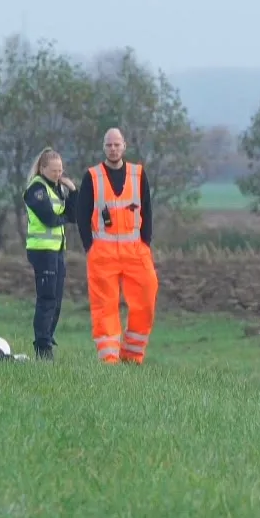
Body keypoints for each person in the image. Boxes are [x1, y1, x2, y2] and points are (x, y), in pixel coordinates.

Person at [66, 127, 157, 364]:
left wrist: (145, 243)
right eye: (109, 145)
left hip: (136, 251)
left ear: (124, 146)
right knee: (104, 306)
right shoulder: (92, 176)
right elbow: (81, 213)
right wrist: (90, 247)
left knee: (146, 298)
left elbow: (147, 209)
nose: (113, 149)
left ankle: (133, 354)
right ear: (103, 148)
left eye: (117, 144)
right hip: (103, 253)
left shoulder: (139, 174)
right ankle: (109, 358)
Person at [23, 146, 77, 362]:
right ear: (42, 168)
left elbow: (71, 216)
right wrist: (62, 216)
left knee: (56, 300)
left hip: (56, 250)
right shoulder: (36, 189)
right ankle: (42, 347)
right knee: (46, 299)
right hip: (41, 250)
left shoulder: (56, 189)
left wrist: (72, 191)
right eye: (54, 171)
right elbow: (49, 219)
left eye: (61, 170)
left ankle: (48, 339)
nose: (59, 174)